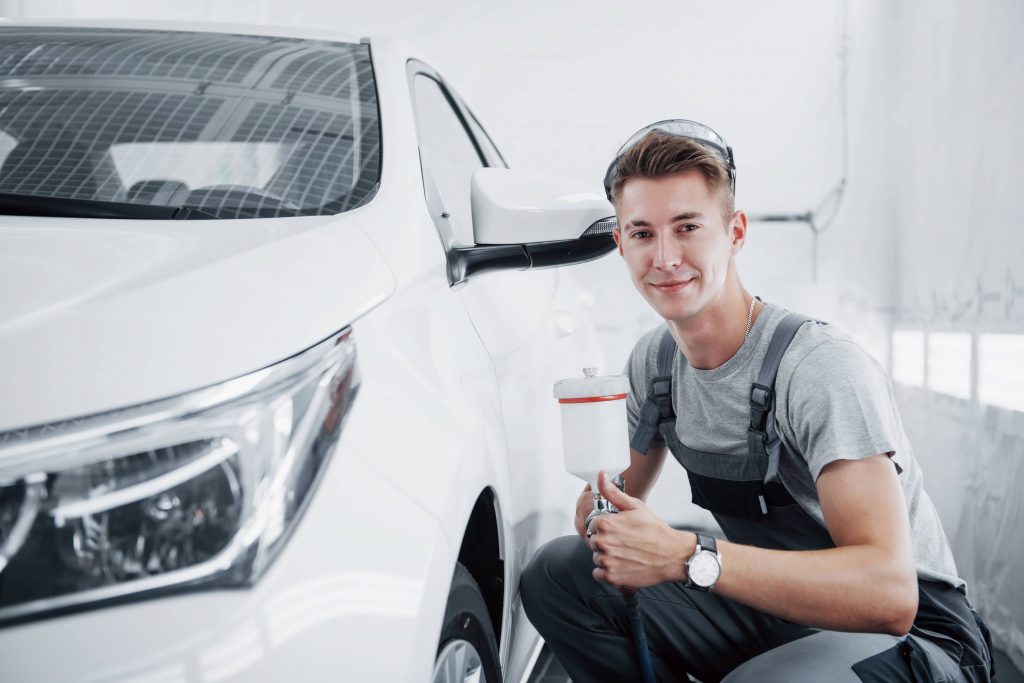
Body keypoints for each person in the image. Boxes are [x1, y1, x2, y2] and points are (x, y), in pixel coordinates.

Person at [519, 120, 993, 682]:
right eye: (643, 233)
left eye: (688, 226)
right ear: (620, 245)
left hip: (915, 640)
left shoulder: (817, 368)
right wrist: (602, 510)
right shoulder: (656, 366)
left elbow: (890, 595)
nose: (666, 257)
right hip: (780, 613)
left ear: (735, 232)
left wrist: (684, 555)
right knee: (559, 575)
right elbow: (617, 495)